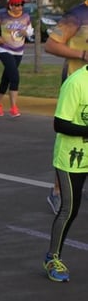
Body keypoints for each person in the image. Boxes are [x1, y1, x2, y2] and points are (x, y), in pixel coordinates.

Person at [43, 0, 88, 213]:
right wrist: (82, 54)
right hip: (77, 86)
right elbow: (51, 44)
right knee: (71, 138)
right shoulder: (77, 14)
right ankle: (57, 190)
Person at [45, 63, 88, 282]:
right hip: (72, 157)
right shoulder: (76, 83)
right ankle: (53, 257)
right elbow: (60, 124)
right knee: (70, 209)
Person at [0, 0, 34, 117]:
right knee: (14, 76)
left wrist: (27, 32)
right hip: (4, 50)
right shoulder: (3, 15)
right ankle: (14, 107)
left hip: (19, 50)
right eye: (17, 5)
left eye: (21, 5)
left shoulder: (25, 16)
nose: (19, 7)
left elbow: (31, 30)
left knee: (6, 78)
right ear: (10, 6)